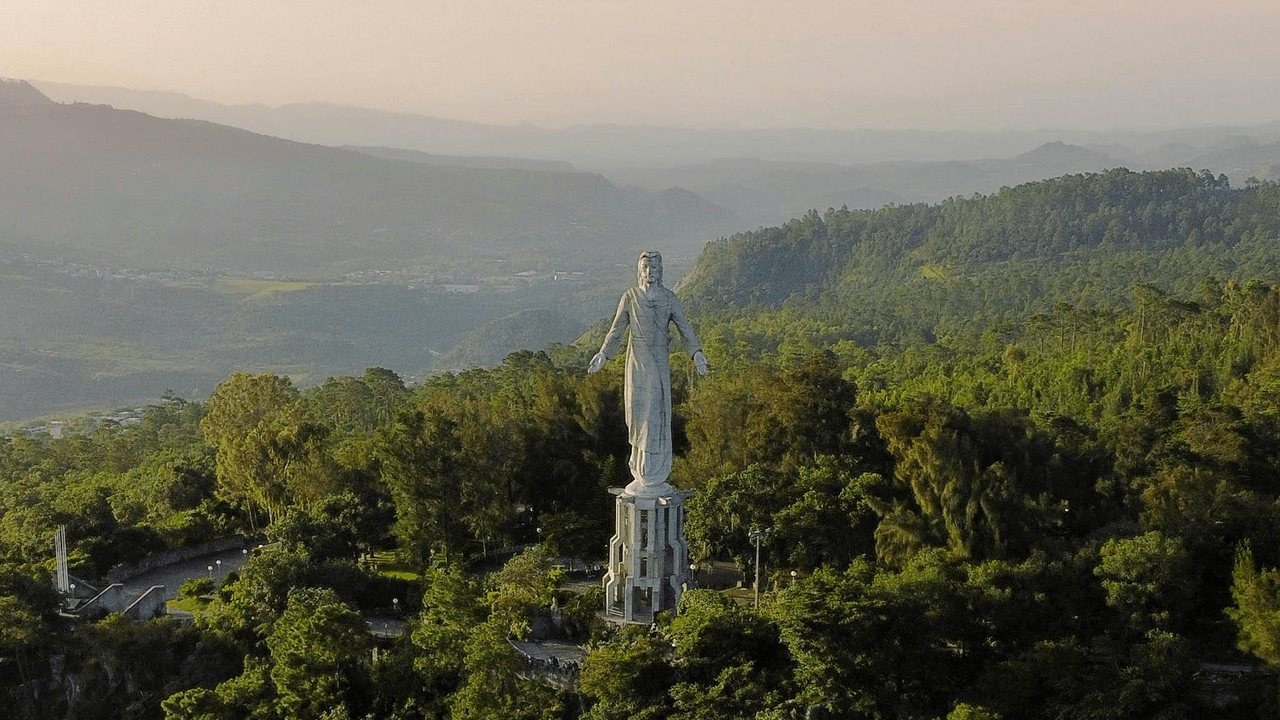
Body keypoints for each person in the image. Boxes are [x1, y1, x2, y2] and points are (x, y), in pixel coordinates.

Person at [589, 251, 708, 492]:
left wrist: (697, 354)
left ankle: (655, 469)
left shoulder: (669, 298)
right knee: (638, 414)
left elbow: (685, 329)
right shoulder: (630, 297)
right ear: (638, 270)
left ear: (660, 270)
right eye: (645, 267)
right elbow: (616, 330)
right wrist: (603, 354)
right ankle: (639, 465)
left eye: (653, 268)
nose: (649, 272)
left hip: (659, 363)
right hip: (636, 364)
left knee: (657, 413)